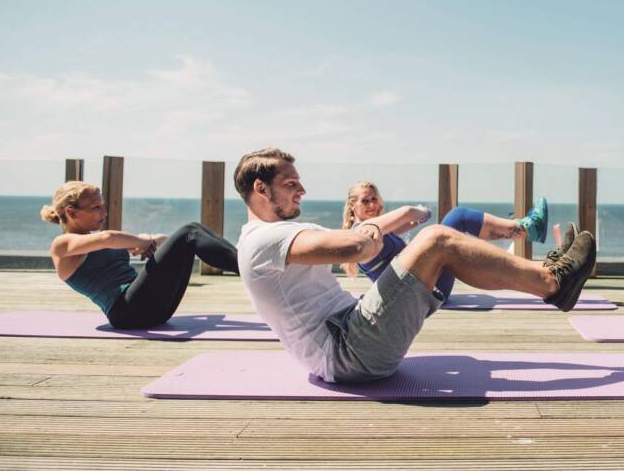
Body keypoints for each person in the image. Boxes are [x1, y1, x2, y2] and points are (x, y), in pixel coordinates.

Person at [234, 148, 595, 383]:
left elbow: (356, 243)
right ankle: (553, 282)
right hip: (348, 352)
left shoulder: (275, 235)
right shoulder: (262, 241)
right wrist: (395, 219)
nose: (302, 191)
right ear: (261, 189)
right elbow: (357, 246)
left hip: (352, 332)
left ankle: (549, 273)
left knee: (440, 238)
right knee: (437, 239)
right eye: (291, 184)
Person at [41, 181, 239, 329]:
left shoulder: (92, 241)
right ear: (72, 213)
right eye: (96, 208)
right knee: (189, 232)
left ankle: (246, 262)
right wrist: (143, 242)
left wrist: (151, 241)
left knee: (192, 231)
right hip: (127, 311)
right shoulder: (62, 245)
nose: (104, 212)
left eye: (103, 206)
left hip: (150, 308)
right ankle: (248, 267)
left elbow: (164, 240)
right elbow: (108, 237)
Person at [340, 180, 549, 298]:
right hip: (423, 295)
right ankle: (527, 228)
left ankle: (524, 230)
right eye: (365, 201)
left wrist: (416, 224)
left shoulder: (378, 231)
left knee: (454, 232)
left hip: (421, 290)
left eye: (374, 199)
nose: (371, 205)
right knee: (456, 218)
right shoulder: (362, 233)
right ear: (352, 206)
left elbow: (403, 225)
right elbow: (406, 213)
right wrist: (422, 212)